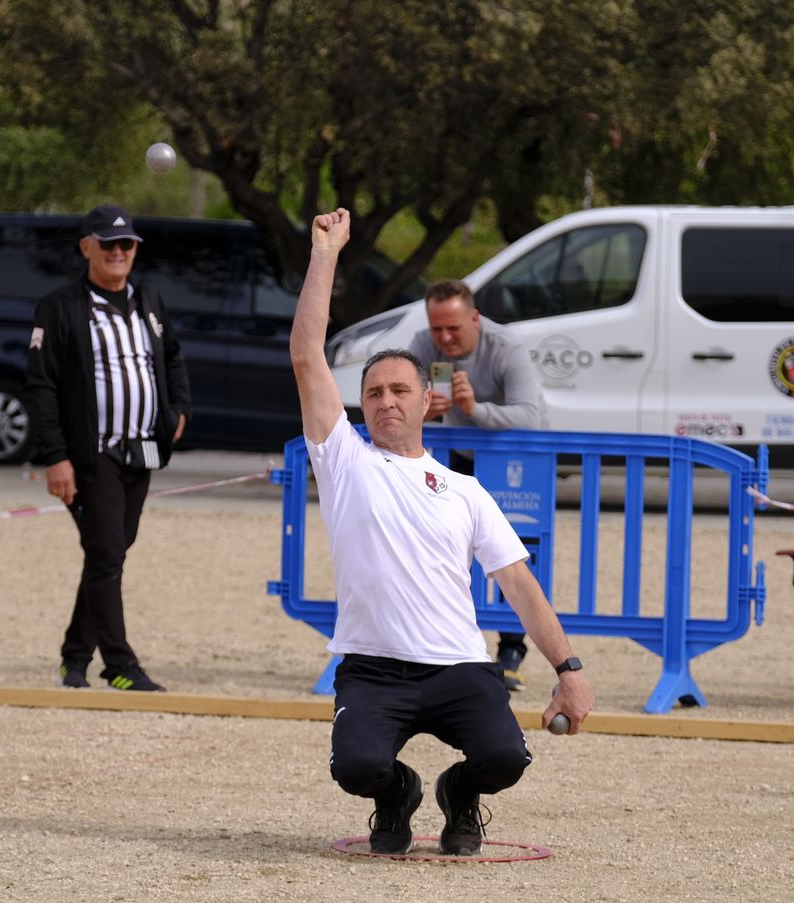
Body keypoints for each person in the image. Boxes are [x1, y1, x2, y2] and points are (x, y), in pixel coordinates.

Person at [290, 209, 594, 856]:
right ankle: (396, 793)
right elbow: (305, 353)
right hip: (373, 671)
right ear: (361, 405)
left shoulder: (465, 490)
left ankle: (460, 793)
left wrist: (568, 668)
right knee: (356, 766)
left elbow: (518, 582)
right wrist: (326, 253)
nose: (386, 401)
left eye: (400, 389)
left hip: (459, 667)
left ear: (426, 401)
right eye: (373, 393)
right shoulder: (344, 461)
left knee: (506, 756)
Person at [26, 204, 192, 693]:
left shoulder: (150, 303)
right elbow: (41, 386)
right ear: (87, 248)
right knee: (105, 555)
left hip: (141, 450)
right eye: (108, 244)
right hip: (92, 454)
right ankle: (118, 664)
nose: (119, 252)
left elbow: (175, 359)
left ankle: (74, 656)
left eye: (127, 244)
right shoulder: (60, 307)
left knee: (112, 553)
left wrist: (179, 410)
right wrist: (55, 456)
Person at [408, 279, 547, 691]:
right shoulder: (419, 343)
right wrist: (425, 411)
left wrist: (475, 409)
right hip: (455, 460)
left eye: (454, 328)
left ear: (475, 318)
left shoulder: (506, 346)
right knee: (441, 547)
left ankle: (511, 650)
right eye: (437, 329)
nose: (444, 338)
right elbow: (395, 406)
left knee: (513, 549)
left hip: (513, 463)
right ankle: (445, 649)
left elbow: (530, 416)